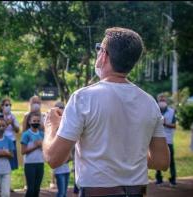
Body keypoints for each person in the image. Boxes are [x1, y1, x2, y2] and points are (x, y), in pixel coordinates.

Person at [43, 27, 170, 197]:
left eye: (99, 48)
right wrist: (125, 155)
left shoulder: (83, 98)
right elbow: (161, 161)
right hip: (137, 192)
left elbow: (54, 158)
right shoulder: (149, 103)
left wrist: (51, 125)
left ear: (103, 55)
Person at [155, 93, 177, 187]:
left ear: (166, 101)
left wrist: (165, 123)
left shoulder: (171, 112)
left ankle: (173, 180)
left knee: (171, 160)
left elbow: (174, 125)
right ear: (158, 101)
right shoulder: (155, 111)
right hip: (157, 139)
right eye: (160, 100)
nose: (162, 102)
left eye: (163, 100)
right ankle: (159, 179)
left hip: (168, 140)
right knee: (157, 160)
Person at [21, 112, 44, 197]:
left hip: (40, 163)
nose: (36, 123)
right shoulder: (26, 134)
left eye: (38, 121)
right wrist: (35, 145)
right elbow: (23, 151)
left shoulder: (42, 134)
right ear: (29, 122)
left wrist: (41, 146)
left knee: (37, 189)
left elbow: (44, 149)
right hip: (30, 164)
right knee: (31, 189)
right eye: (34, 121)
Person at [0, 98, 20, 171]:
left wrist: (12, 123)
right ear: (2, 106)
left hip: (11, 140)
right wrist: (7, 123)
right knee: (1, 162)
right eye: (6, 105)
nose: (9, 107)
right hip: (1, 141)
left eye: (10, 105)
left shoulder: (12, 116)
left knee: (11, 164)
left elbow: (17, 130)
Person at [52, 101, 70, 197]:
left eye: (62, 107)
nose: (61, 109)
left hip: (66, 168)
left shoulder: (68, 125)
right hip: (59, 168)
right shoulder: (53, 128)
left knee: (64, 193)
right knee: (61, 193)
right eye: (58, 107)